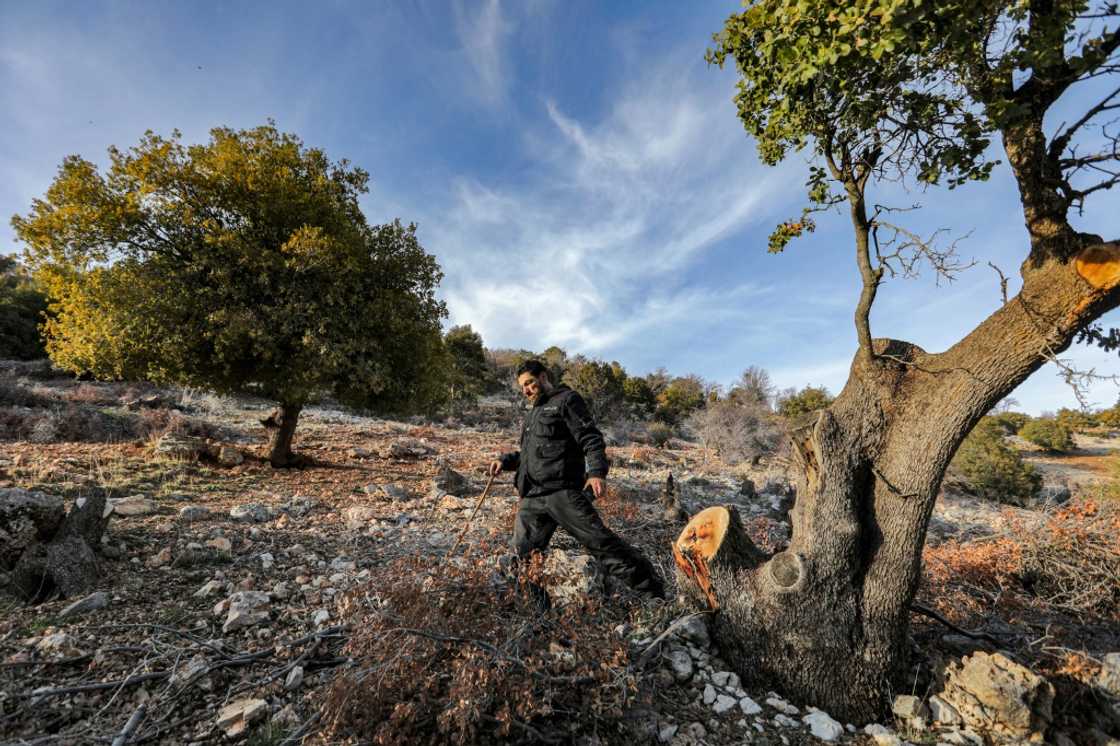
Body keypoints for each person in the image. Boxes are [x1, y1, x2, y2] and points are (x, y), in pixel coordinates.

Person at [489, 359, 665, 601]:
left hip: (563, 492)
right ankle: (536, 611)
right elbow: (531, 455)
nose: (526, 390)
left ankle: (653, 593)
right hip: (532, 497)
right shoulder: (534, 414)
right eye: (522, 387)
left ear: (543, 377)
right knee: (522, 558)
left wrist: (596, 473)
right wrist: (506, 461)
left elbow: (591, 438)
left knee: (600, 543)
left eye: (529, 383)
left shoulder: (567, 400)